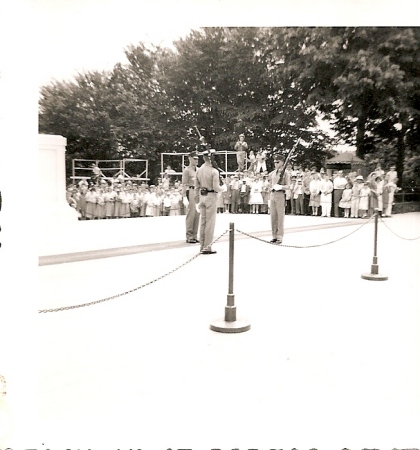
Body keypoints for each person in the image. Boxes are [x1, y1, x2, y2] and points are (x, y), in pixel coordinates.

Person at [194, 149, 222, 254]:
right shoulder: (214, 171)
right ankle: (208, 246)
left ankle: (202, 245)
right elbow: (216, 187)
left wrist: (196, 200)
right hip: (211, 196)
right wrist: (222, 188)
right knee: (210, 223)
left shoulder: (199, 170)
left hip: (202, 196)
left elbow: (196, 187)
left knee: (203, 222)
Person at [268, 154, 291, 244]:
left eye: (277, 162)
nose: (276, 164)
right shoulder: (273, 173)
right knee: (273, 216)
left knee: (280, 217)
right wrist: (270, 187)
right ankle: (274, 235)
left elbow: (288, 186)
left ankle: (279, 237)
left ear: (282, 163)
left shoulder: (286, 173)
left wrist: (281, 187)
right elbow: (270, 183)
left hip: (280, 195)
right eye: (275, 162)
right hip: (272, 195)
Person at [182, 151, 200, 243]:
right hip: (191, 191)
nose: (196, 160)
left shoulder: (199, 169)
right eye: (194, 159)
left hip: (198, 191)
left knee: (197, 214)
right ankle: (189, 236)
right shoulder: (187, 170)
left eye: (197, 159)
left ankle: (195, 235)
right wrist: (184, 196)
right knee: (191, 214)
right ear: (190, 158)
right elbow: (184, 184)